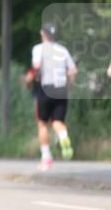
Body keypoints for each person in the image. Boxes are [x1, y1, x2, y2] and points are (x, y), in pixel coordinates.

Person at [24, 23, 77, 171]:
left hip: (45, 88)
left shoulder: (38, 49)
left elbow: (36, 67)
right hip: (61, 90)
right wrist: (69, 87)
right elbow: (73, 71)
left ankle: (46, 158)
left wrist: (28, 80)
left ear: (43, 34)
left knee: (42, 124)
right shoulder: (63, 50)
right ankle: (63, 136)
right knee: (58, 121)